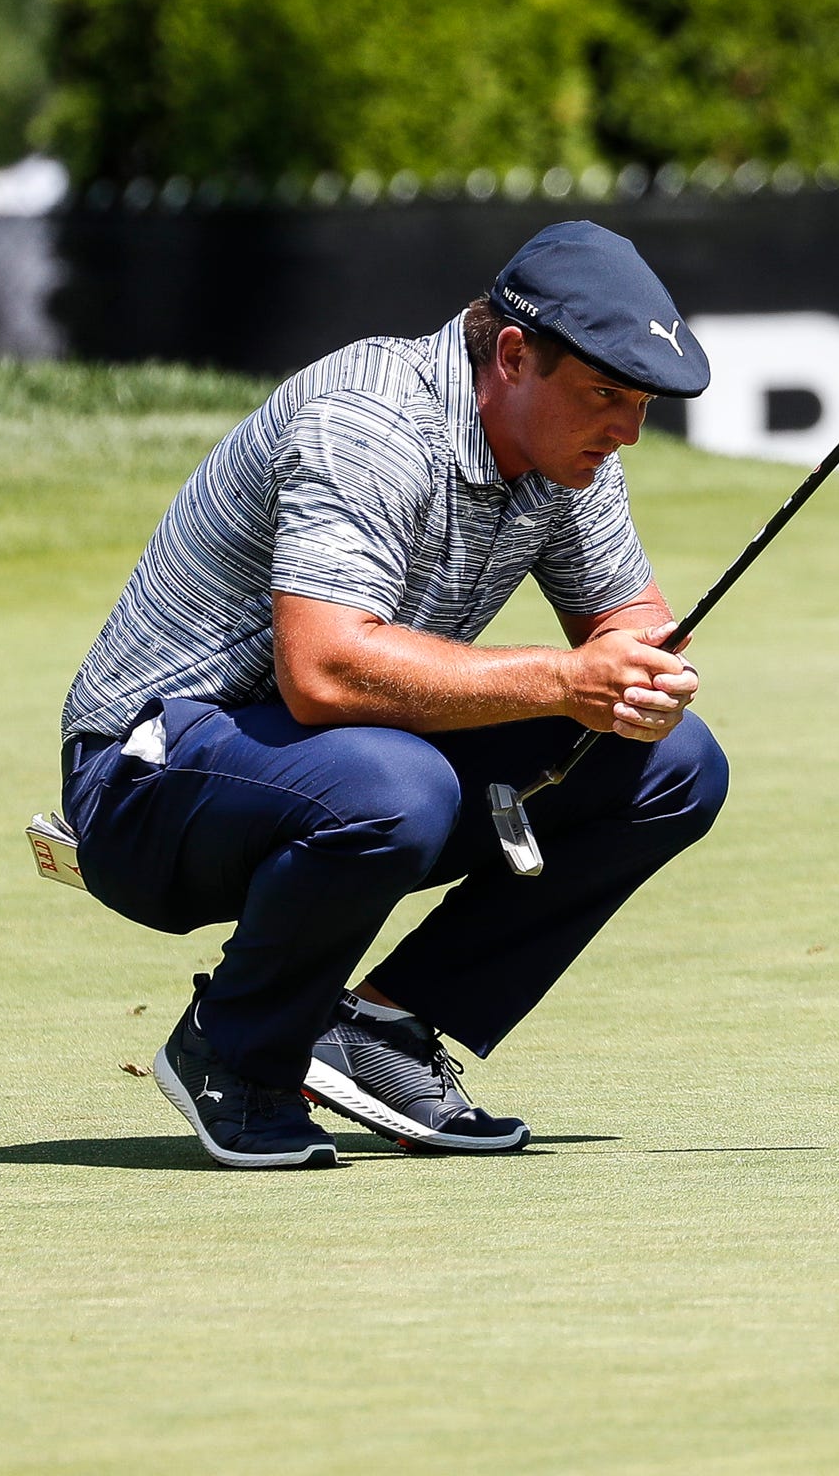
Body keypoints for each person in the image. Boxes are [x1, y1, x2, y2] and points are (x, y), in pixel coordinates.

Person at [59, 222, 729, 1169]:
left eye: (641, 403)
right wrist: (568, 679)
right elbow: (325, 670)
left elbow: (626, 623)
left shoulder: (565, 453)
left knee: (672, 764)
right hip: (145, 781)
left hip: (321, 763)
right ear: (512, 355)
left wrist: (641, 676)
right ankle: (234, 1053)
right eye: (606, 395)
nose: (626, 428)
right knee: (396, 783)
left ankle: (382, 1028)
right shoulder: (368, 418)